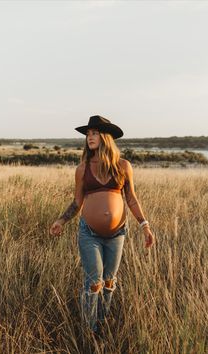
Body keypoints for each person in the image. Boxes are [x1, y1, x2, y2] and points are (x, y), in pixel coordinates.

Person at [50, 115, 155, 336]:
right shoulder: (82, 169)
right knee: (94, 281)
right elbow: (77, 202)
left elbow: (132, 199)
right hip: (89, 232)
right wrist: (61, 220)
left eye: (94, 133)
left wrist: (144, 224)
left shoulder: (123, 166)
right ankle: (90, 330)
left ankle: (103, 324)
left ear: (105, 137)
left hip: (117, 234)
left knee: (109, 282)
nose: (90, 137)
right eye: (88, 134)